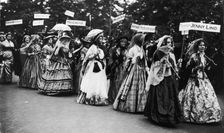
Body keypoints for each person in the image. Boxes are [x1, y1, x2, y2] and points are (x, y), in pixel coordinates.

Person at [178, 38, 222, 123]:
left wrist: (209, 66)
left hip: (203, 79)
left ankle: (209, 115)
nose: (202, 47)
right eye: (200, 45)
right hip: (194, 79)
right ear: (197, 46)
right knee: (195, 97)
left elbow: (206, 67)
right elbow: (187, 69)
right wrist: (195, 68)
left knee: (208, 96)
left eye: (203, 45)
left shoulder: (205, 56)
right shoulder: (194, 56)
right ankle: (195, 114)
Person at [144, 35, 182, 126]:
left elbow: (174, 68)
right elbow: (154, 66)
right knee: (161, 97)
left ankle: (170, 117)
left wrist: (177, 65)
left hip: (169, 79)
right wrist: (162, 64)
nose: (169, 44)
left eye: (170, 42)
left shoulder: (171, 54)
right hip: (161, 79)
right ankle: (160, 117)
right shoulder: (158, 53)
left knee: (170, 98)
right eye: (167, 42)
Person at [113, 33, 148, 113]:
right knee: (131, 86)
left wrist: (146, 68)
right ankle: (129, 106)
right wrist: (135, 59)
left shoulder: (142, 49)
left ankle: (140, 107)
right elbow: (128, 61)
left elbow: (144, 61)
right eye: (142, 40)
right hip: (133, 70)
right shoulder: (133, 49)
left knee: (141, 88)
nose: (144, 42)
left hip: (141, 71)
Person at [77, 29, 108, 105]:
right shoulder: (93, 47)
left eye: (102, 38)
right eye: (100, 38)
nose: (101, 40)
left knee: (99, 81)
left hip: (100, 66)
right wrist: (94, 55)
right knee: (92, 81)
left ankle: (98, 98)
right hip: (92, 66)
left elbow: (102, 57)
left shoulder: (100, 48)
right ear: (96, 39)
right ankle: (90, 98)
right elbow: (87, 58)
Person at [107, 36, 129, 103]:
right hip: (115, 68)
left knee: (122, 82)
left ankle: (119, 98)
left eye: (125, 42)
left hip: (123, 68)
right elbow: (110, 58)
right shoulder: (114, 49)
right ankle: (113, 98)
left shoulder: (127, 50)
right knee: (115, 83)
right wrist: (114, 63)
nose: (123, 43)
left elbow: (127, 58)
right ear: (119, 42)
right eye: (122, 41)